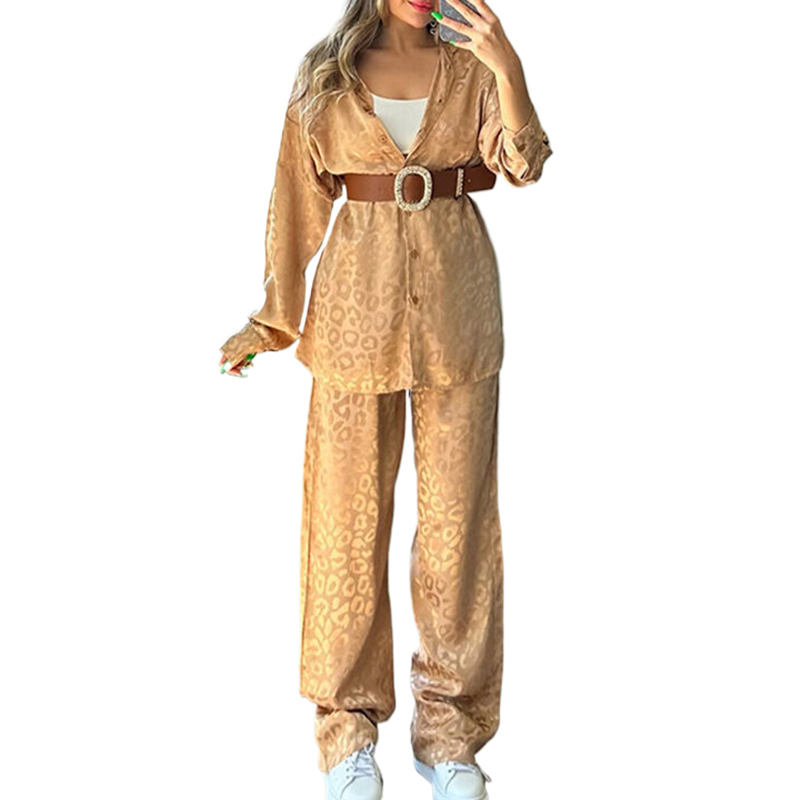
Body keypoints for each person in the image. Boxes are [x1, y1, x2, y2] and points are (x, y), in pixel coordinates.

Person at [218, 1, 552, 797]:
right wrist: (272, 321)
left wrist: (508, 63)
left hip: (459, 319)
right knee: (344, 530)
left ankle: (450, 740)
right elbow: (294, 203)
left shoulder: (474, 70)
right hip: (351, 323)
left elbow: (524, 164)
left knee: (458, 536)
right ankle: (346, 736)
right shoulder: (325, 76)